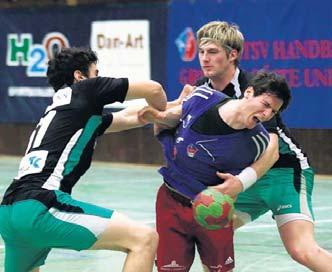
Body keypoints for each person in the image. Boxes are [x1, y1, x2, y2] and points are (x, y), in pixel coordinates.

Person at [0, 47, 168, 272]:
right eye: (96, 72)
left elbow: (133, 116)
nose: (99, 77)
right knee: (144, 239)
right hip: (41, 206)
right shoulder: (85, 89)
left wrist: (185, 105)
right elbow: (153, 89)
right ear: (79, 76)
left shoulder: (64, 111)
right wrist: (167, 114)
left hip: (10, 211)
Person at [195, 21, 332, 271]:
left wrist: (240, 182)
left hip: (283, 172)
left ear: (232, 54)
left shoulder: (255, 88)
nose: (205, 59)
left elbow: (271, 148)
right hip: (248, 176)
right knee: (210, 229)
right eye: (201, 52)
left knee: (302, 251)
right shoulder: (200, 91)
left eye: (212, 52)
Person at [140, 70, 291, 272]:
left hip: (215, 212)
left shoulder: (258, 141)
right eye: (265, 105)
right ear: (248, 92)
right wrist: (158, 118)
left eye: (273, 112)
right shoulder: (203, 97)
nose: (266, 115)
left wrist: (240, 184)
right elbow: (172, 118)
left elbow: (267, 161)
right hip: (172, 201)